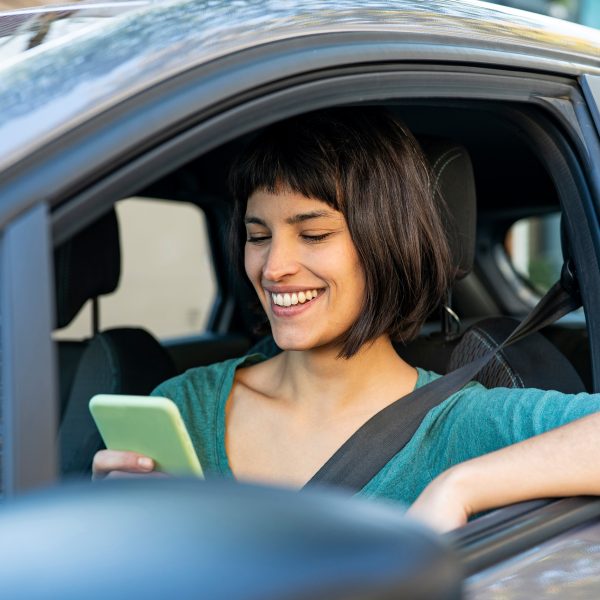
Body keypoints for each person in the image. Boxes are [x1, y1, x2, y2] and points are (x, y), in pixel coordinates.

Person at [93, 108, 600, 532]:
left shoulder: (461, 426)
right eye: (258, 235)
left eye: (313, 235)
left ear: (386, 245)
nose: (273, 268)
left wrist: (461, 485)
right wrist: (105, 525)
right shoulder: (182, 406)